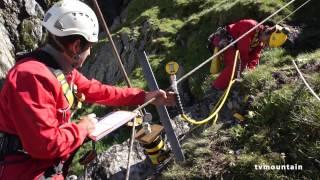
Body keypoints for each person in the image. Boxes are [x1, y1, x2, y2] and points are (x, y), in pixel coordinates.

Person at [0, 0, 176, 179]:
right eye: (89, 47)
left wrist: (143, 96)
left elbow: (98, 91)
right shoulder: (30, 78)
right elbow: (45, 145)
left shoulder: (59, 71)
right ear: (76, 47)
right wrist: (82, 128)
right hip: (27, 172)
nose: (90, 53)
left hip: (46, 168)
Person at [208, 19, 289, 90]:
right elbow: (242, 50)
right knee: (236, 65)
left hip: (234, 48)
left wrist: (250, 70)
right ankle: (216, 87)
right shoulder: (250, 26)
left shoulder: (260, 42)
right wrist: (243, 68)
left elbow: (255, 57)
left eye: (268, 44)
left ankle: (231, 80)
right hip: (224, 43)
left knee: (242, 67)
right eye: (267, 41)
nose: (266, 44)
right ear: (268, 33)